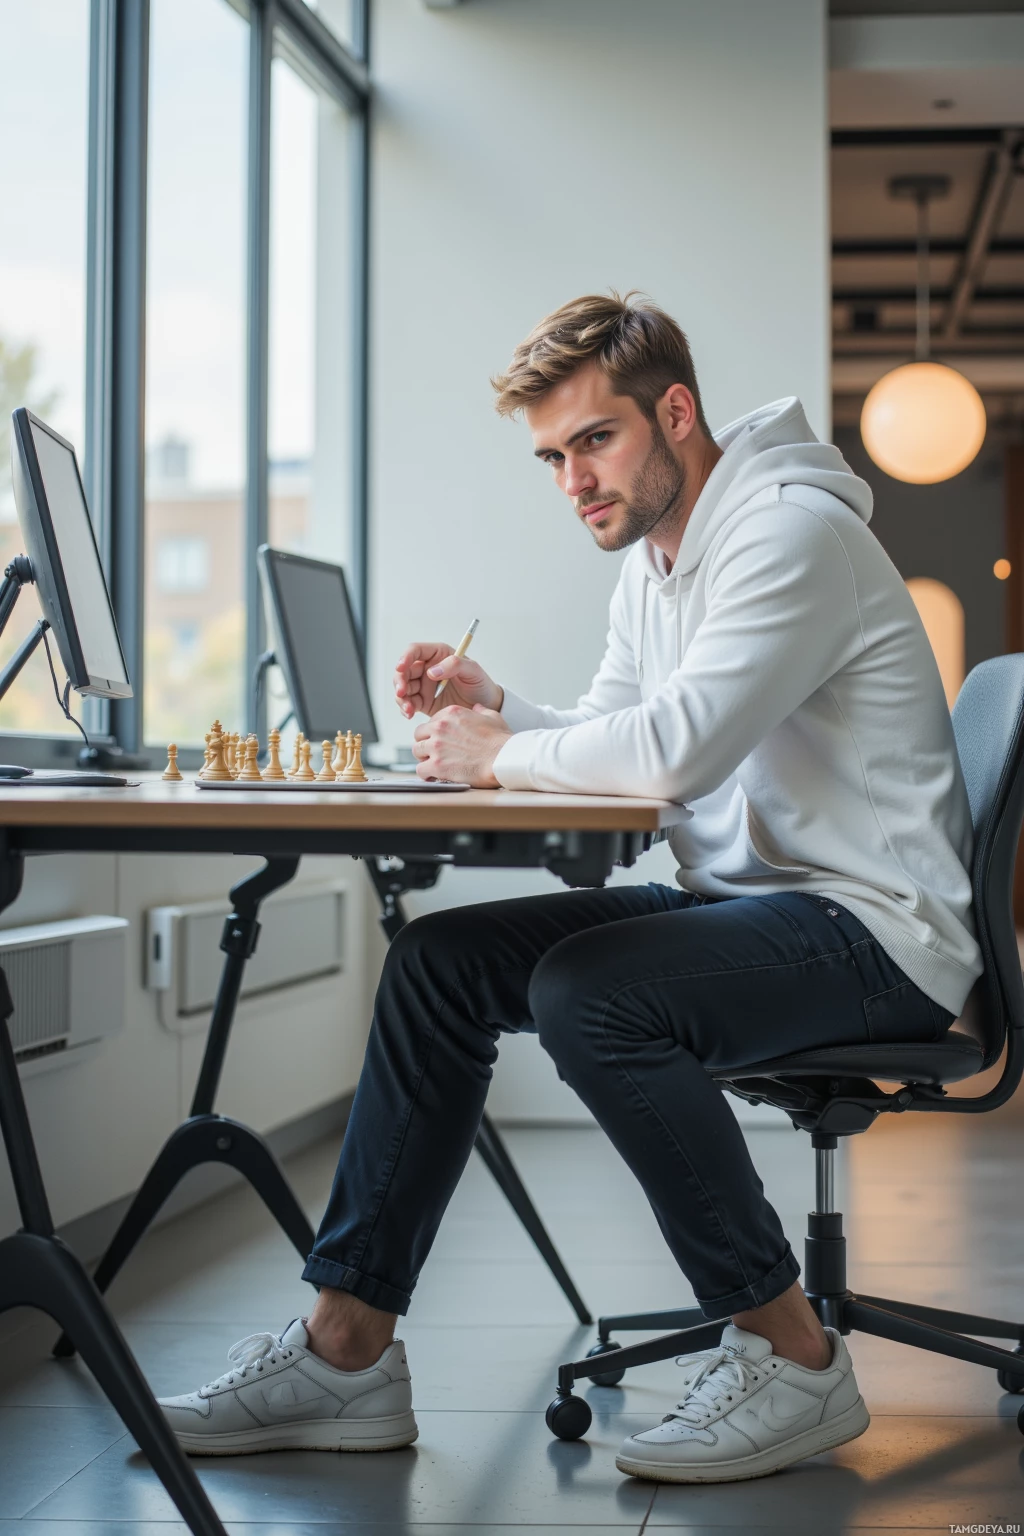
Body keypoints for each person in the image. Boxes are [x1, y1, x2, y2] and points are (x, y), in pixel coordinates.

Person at [159, 292, 980, 1484]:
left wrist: (500, 755)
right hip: (753, 909)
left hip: (875, 932)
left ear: (676, 415)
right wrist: (504, 714)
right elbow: (614, 732)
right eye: (552, 456)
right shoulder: (657, 564)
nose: (572, 479)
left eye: (594, 440)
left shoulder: (786, 535)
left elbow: (677, 751)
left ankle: (792, 1356)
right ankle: (346, 1353)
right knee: (443, 965)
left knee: (591, 991)